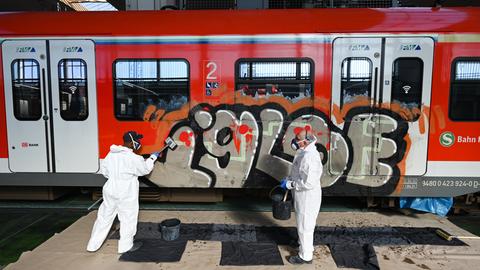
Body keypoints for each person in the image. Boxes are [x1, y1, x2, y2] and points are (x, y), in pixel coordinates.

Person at [86, 131, 160, 253]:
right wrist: (152, 158)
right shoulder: (134, 158)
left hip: (110, 189)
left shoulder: (111, 154)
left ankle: (92, 245)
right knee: (127, 218)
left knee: (104, 218)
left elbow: (105, 172)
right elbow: (144, 169)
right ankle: (126, 246)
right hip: (126, 191)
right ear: (131, 142)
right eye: (137, 141)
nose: (139, 143)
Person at [280, 130, 323, 264]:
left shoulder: (310, 157)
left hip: (307, 197)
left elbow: (309, 183)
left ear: (305, 141)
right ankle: (302, 244)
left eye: (296, 139)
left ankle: (305, 256)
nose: (294, 140)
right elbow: (299, 172)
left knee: (305, 225)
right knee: (303, 223)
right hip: (302, 195)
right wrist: (289, 179)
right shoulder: (304, 152)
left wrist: (290, 184)